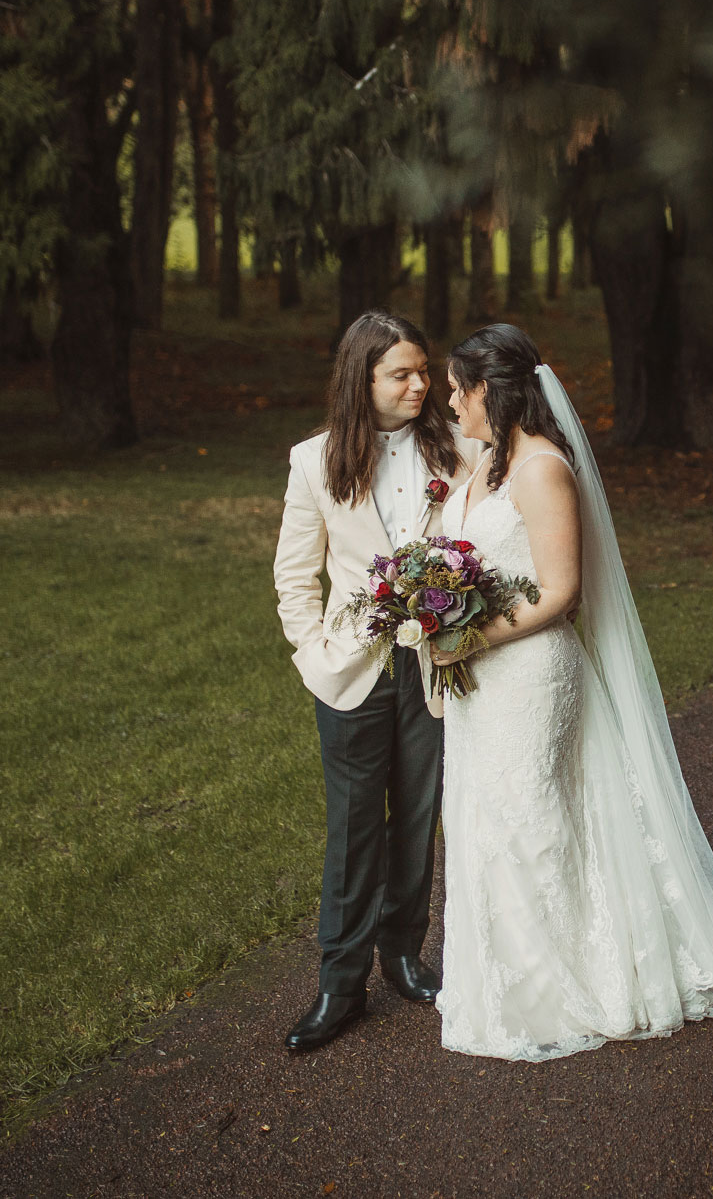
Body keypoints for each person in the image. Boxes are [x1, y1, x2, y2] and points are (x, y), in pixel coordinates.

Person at [430, 323, 713, 1061]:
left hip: (531, 675)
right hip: (480, 680)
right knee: (483, 817)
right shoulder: (482, 463)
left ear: (492, 391)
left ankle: (575, 983)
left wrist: (471, 637)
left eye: (459, 388)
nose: (450, 401)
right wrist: (435, 625)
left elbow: (562, 592)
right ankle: (507, 981)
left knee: (534, 819)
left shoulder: (542, 468)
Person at [272, 311, 482, 1052]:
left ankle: (402, 952)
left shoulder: (457, 449)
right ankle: (340, 982)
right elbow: (294, 576)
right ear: (361, 379)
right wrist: (315, 656)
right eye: (403, 373)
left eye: (424, 371)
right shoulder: (314, 461)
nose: (421, 383)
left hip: (434, 663)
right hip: (353, 670)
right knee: (354, 826)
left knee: (419, 814)